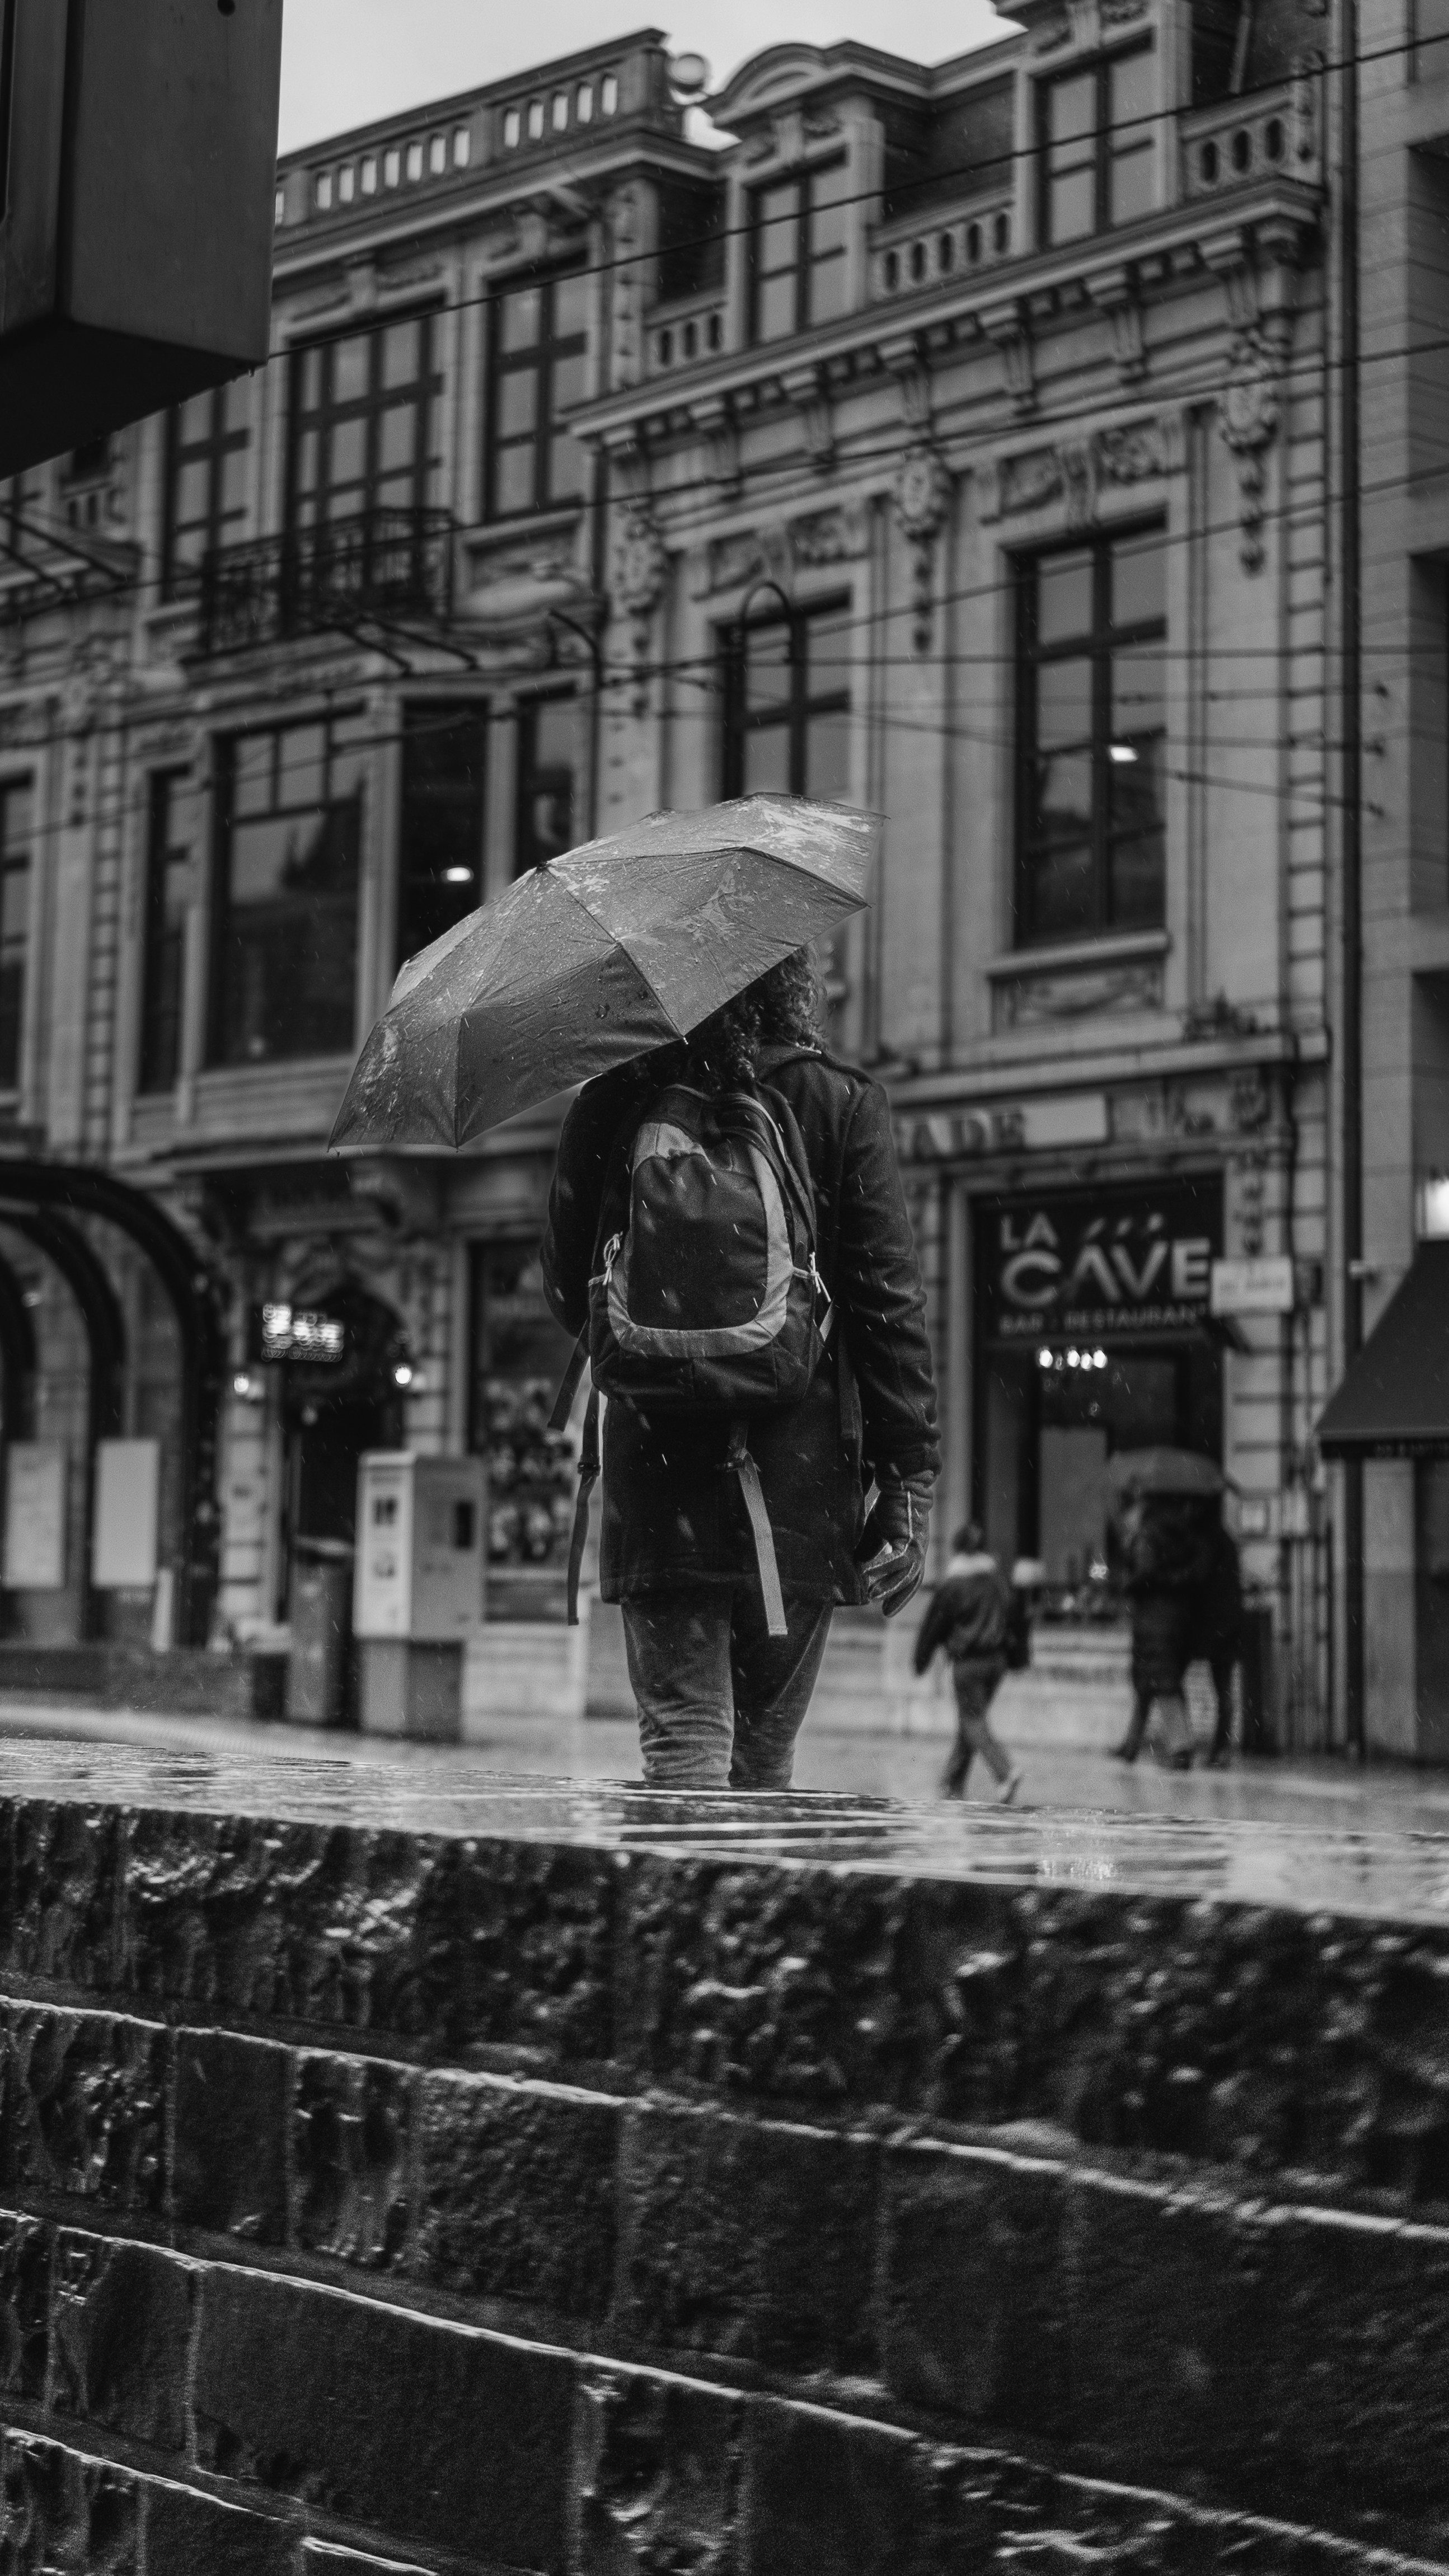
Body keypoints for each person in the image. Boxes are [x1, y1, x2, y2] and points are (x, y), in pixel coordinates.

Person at [540, 949, 940, 1791]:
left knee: (682, 1743)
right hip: (799, 1483)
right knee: (760, 1763)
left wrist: (675, 1345)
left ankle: (669, 1914)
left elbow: (568, 1294)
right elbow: (887, 1310)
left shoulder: (612, 1102)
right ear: (786, 982)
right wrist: (908, 1477)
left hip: (656, 1479)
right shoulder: (836, 1101)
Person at [912, 1522, 1023, 1803]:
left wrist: (921, 1660)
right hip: (997, 1663)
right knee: (971, 1722)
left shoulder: (953, 1586)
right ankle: (952, 1783)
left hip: (968, 1664)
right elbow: (1017, 1620)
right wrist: (1018, 1656)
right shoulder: (997, 1582)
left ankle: (1005, 1772)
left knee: (973, 1720)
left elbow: (933, 1627)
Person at [1113, 1490, 1215, 1768]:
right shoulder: (1182, 1536)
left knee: (1163, 1683)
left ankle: (1181, 1748)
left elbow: (1145, 1573)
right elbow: (1190, 1574)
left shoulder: (1147, 1536)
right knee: (1150, 1682)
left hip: (1153, 1619)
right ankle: (1131, 1744)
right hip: (1177, 1617)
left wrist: (1127, 1582)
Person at [1192, 1519, 1243, 1767]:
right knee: (1224, 1691)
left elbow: (1200, 1578)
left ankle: (1220, 1750)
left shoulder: (1211, 1544)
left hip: (1220, 1630)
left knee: (1223, 1690)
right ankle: (1220, 1749)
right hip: (1228, 1628)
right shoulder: (1227, 1544)